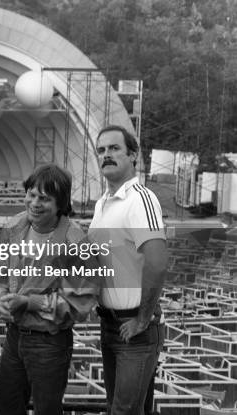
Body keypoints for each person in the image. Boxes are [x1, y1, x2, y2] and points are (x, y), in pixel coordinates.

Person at [0, 164, 99, 414]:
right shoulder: (17, 226)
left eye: (45, 199)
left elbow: (80, 302)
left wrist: (29, 302)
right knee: (6, 407)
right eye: (32, 195)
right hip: (14, 337)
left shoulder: (76, 242)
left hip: (49, 342)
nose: (35, 203)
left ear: (61, 204)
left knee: (46, 409)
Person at [88, 125, 168, 415]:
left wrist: (142, 318)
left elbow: (157, 263)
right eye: (101, 150)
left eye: (114, 148)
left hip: (135, 329)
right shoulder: (102, 205)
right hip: (110, 326)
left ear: (133, 155)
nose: (106, 155)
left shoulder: (140, 199)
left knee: (122, 410)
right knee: (124, 408)